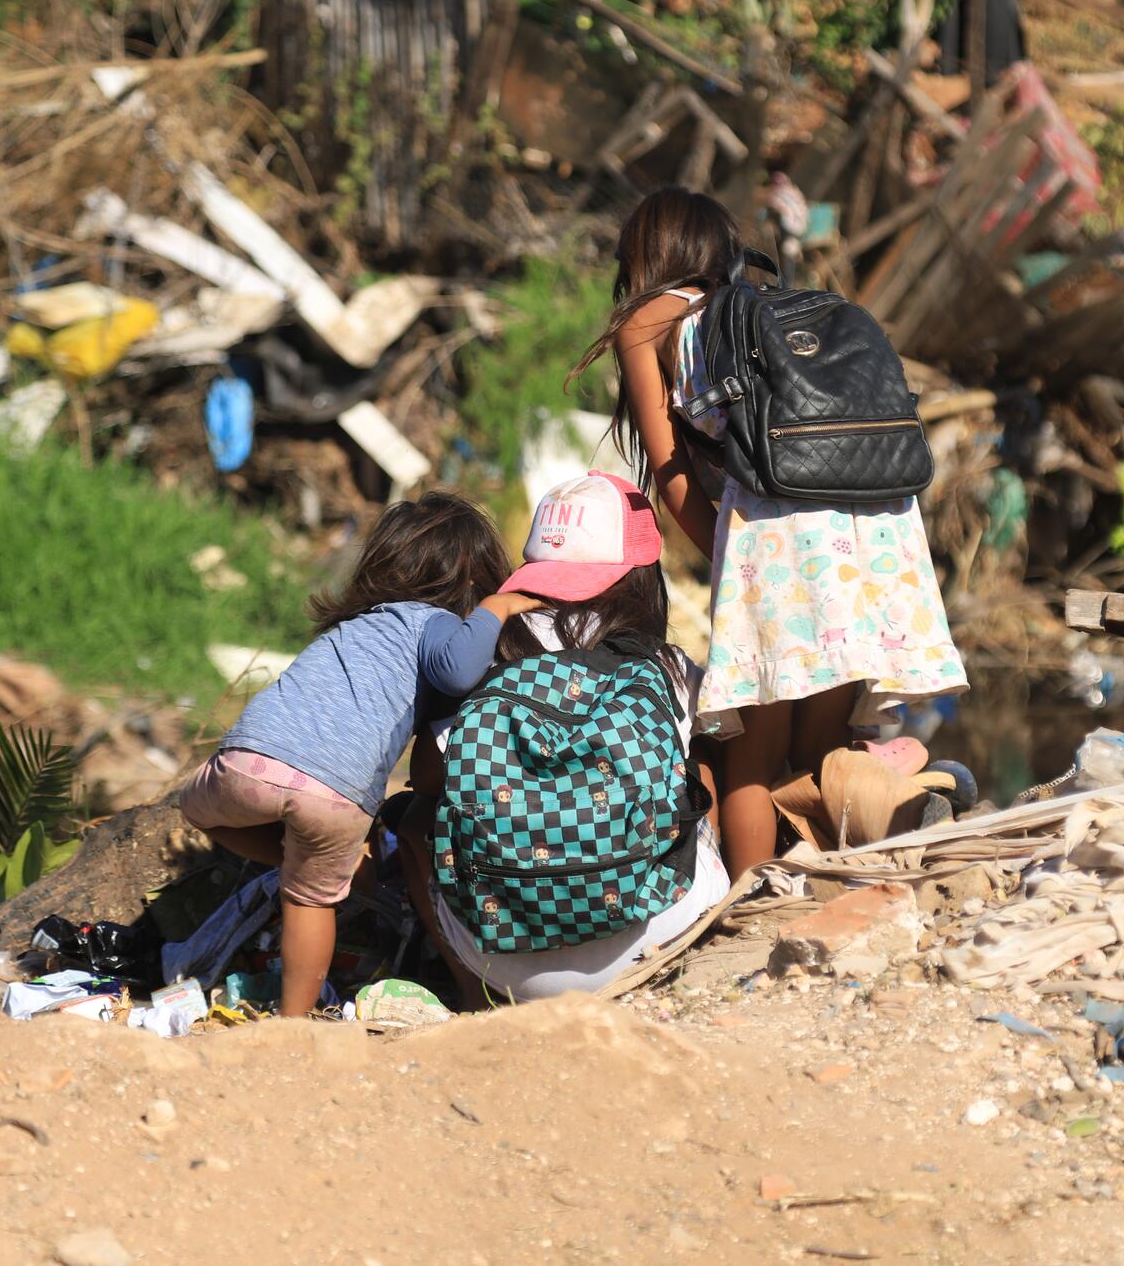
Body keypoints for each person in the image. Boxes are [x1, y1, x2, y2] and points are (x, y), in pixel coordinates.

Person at [572, 187, 968, 877]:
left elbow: (671, 472)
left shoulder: (647, 320)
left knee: (751, 745)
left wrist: (729, 564)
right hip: (870, 522)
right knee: (821, 735)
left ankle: (748, 905)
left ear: (645, 256)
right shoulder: (757, 313)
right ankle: (842, 871)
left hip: (781, 534)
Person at [180, 493, 537, 1018]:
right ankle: (294, 1020)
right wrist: (497, 608)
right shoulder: (432, 625)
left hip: (248, 765)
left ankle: (307, 865)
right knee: (310, 900)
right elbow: (459, 670)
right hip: (336, 798)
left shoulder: (349, 629)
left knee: (194, 806)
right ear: (472, 578)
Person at [398, 473, 732, 1002]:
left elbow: (427, 778)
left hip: (503, 959)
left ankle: (474, 1001)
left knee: (416, 818)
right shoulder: (663, 664)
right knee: (702, 768)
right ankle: (707, 947)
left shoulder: (489, 653)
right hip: (657, 934)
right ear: (639, 576)